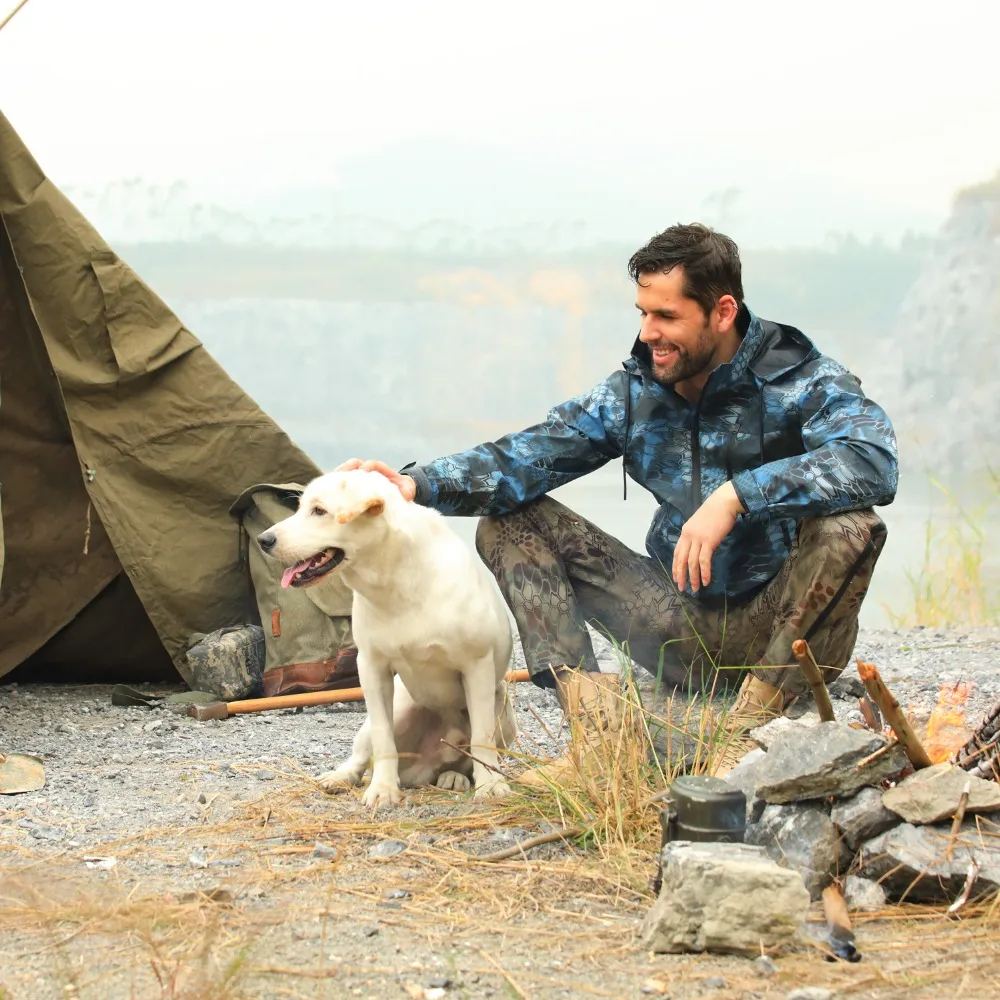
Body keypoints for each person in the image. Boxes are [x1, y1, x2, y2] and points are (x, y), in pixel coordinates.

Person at [342, 222, 897, 782]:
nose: (649, 332)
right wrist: (415, 485)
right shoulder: (636, 392)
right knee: (511, 521)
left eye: (667, 316)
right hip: (678, 625)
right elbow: (528, 456)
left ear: (723, 312)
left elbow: (873, 459)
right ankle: (596, 737)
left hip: (783, 631)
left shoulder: (801, 379)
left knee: (851, 526)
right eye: (643, 313)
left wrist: (737, 496)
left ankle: (747, 734)